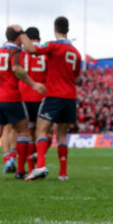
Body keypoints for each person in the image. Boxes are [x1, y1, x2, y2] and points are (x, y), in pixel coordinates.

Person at [0, 25, 47, 180]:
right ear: (18, 37)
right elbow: (17, 69)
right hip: (11, 97)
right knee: (23, 131)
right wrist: (34, 84)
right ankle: (20, 170)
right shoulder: (16, 52)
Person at [21, 16, 81, 181]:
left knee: (41, 130)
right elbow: (76, 79)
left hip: (54, 95)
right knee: (61, 135)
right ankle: (63, 174)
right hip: (70, 97)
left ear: (55, 29)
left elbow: (32, 50)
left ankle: (40, 166)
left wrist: (21, 33)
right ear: (67, 30)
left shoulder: (52, 46)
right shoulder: (76, 53)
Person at [18, 26, 51, 177]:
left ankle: (30, 168)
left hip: (25, 95)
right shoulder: (46, 51)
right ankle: (40, 156)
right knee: (45, 132)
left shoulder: (22, 52)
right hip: (43, 95)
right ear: (39, 38)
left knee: (29, 132)